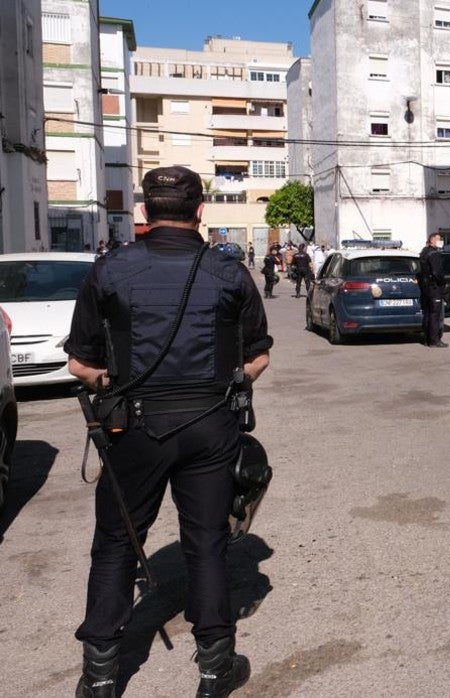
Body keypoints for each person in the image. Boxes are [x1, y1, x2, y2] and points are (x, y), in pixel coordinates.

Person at [64, 166, 271, 698]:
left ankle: (102, 677)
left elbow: (79, 366)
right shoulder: (229, 272)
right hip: (209, 425)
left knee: (114, 544)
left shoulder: (109, 271)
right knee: (206, 543)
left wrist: (112, 378)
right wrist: (228, 382)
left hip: (133, 427)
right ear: (201, 212)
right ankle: (215, 668)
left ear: (143, 214)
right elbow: (258, 357)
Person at [419, 233, 449, 348]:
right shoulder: (434, 254)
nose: (440, 241)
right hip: (434, 287)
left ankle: (427, 339)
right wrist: (443, 281)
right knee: (434, 315)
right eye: (438, 239)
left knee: (428, 313)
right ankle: (434, 340)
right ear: (432, 241)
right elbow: (437, 272)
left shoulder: (424, 252)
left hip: (426, 287)